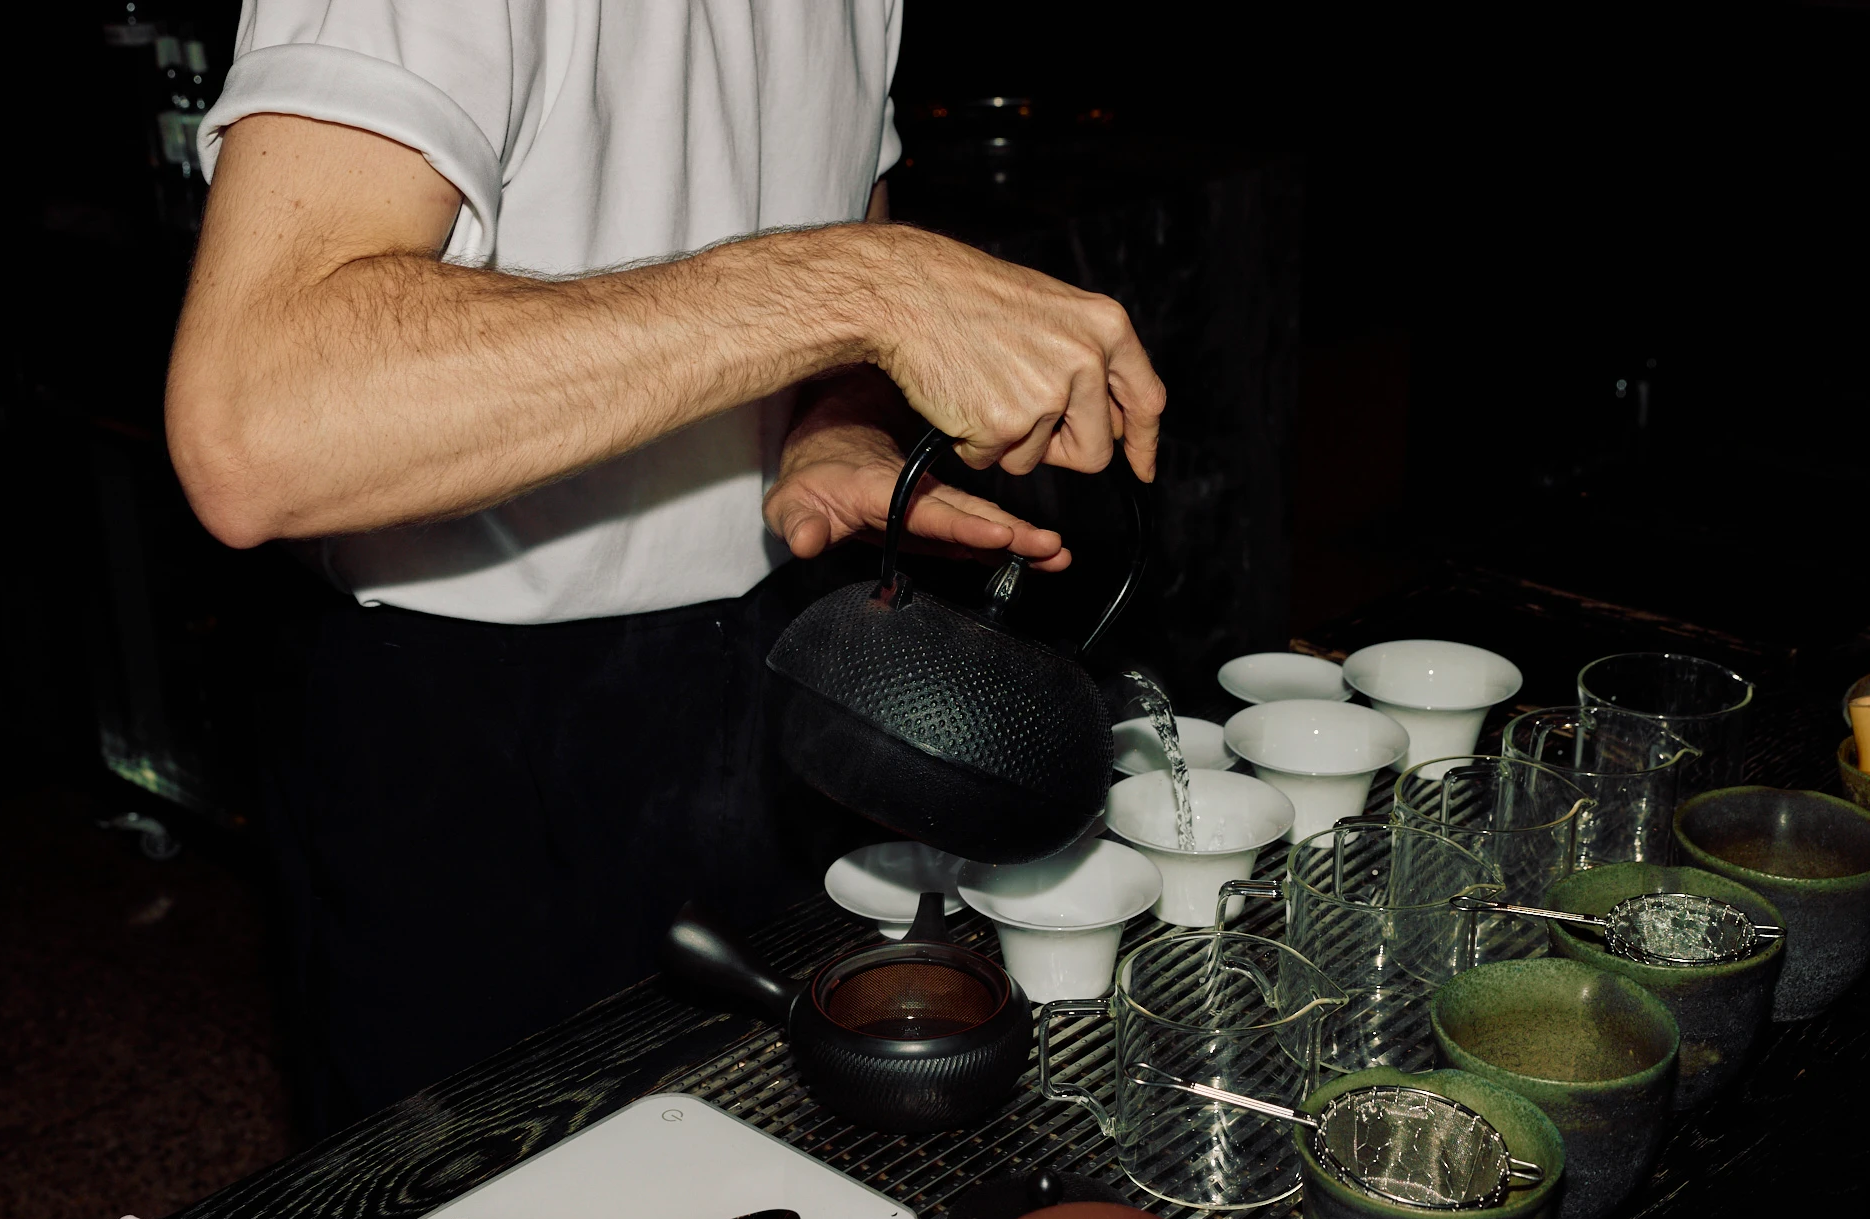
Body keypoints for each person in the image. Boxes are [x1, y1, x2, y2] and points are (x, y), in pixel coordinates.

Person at [166, 0, 1165, 1132]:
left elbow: (836, 199)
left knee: (773, 1153)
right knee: (479, 1206)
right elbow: (254, 426)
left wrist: (833, 418)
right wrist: (870, 286)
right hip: (467, 731)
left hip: (773, 657)